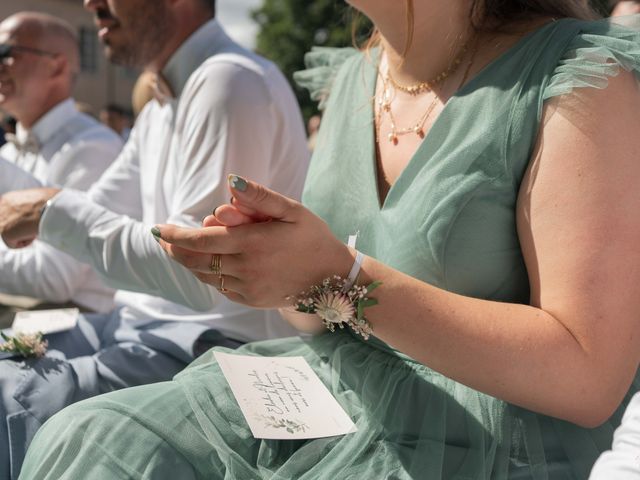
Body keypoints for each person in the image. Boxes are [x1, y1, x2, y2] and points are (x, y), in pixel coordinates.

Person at [17, 0, 640, 478]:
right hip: (322, 391)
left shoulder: (578, 74)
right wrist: (279, 266)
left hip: (484, 440)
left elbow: (587, 376)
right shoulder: (354, 77)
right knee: (91, 436)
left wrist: (339, 277)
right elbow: (315, 310)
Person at [0, 0, 309, 477]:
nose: (90, 3)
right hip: (136, 329)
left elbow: (200, 274)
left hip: (212, 349)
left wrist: (48, 210)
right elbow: (92, 216)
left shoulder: (229, 82)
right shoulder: (163, 103)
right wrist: (47, 212)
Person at [0, 12, 122, 313]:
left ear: (57, 65)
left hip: (75, 326)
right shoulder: (9, 154)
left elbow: (53, 277)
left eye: (6, 53)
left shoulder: (94, 148)